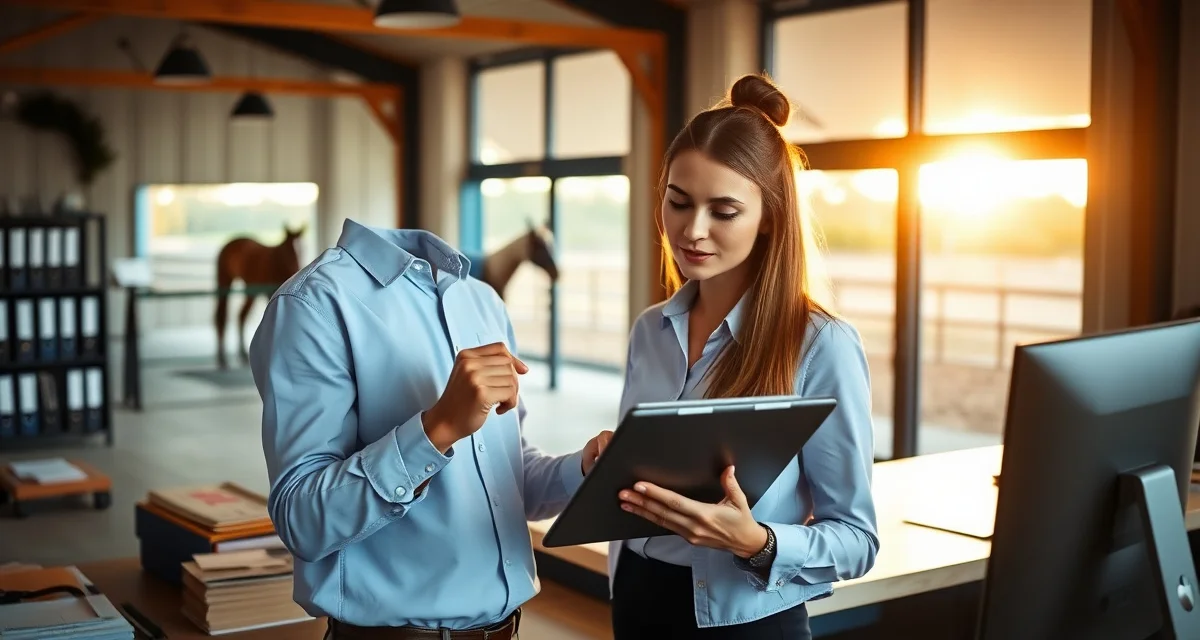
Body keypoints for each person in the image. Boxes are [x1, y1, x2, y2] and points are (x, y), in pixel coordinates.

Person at [608, 74, 880, 639]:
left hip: (746, 623)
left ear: (770, 216)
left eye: (724, 211)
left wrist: (755, 541)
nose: (692, 231)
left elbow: (857, 540)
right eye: (678, 202)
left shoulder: (821, 344)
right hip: (636, 601)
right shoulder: (650, 331)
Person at [248, 219, 612, 639]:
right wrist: (437, 429)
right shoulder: (313, 303)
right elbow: (301, 520)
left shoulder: (483, 300)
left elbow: (508, 481)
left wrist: (585, 469)